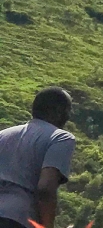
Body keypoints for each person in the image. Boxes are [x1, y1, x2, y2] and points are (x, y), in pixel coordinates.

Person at [0, 87, 75, 228]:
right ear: (58, 112)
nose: (68, 117)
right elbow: (46, 189)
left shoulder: (3, 135)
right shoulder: (60, 137)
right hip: (17, 220)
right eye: (68, 111)